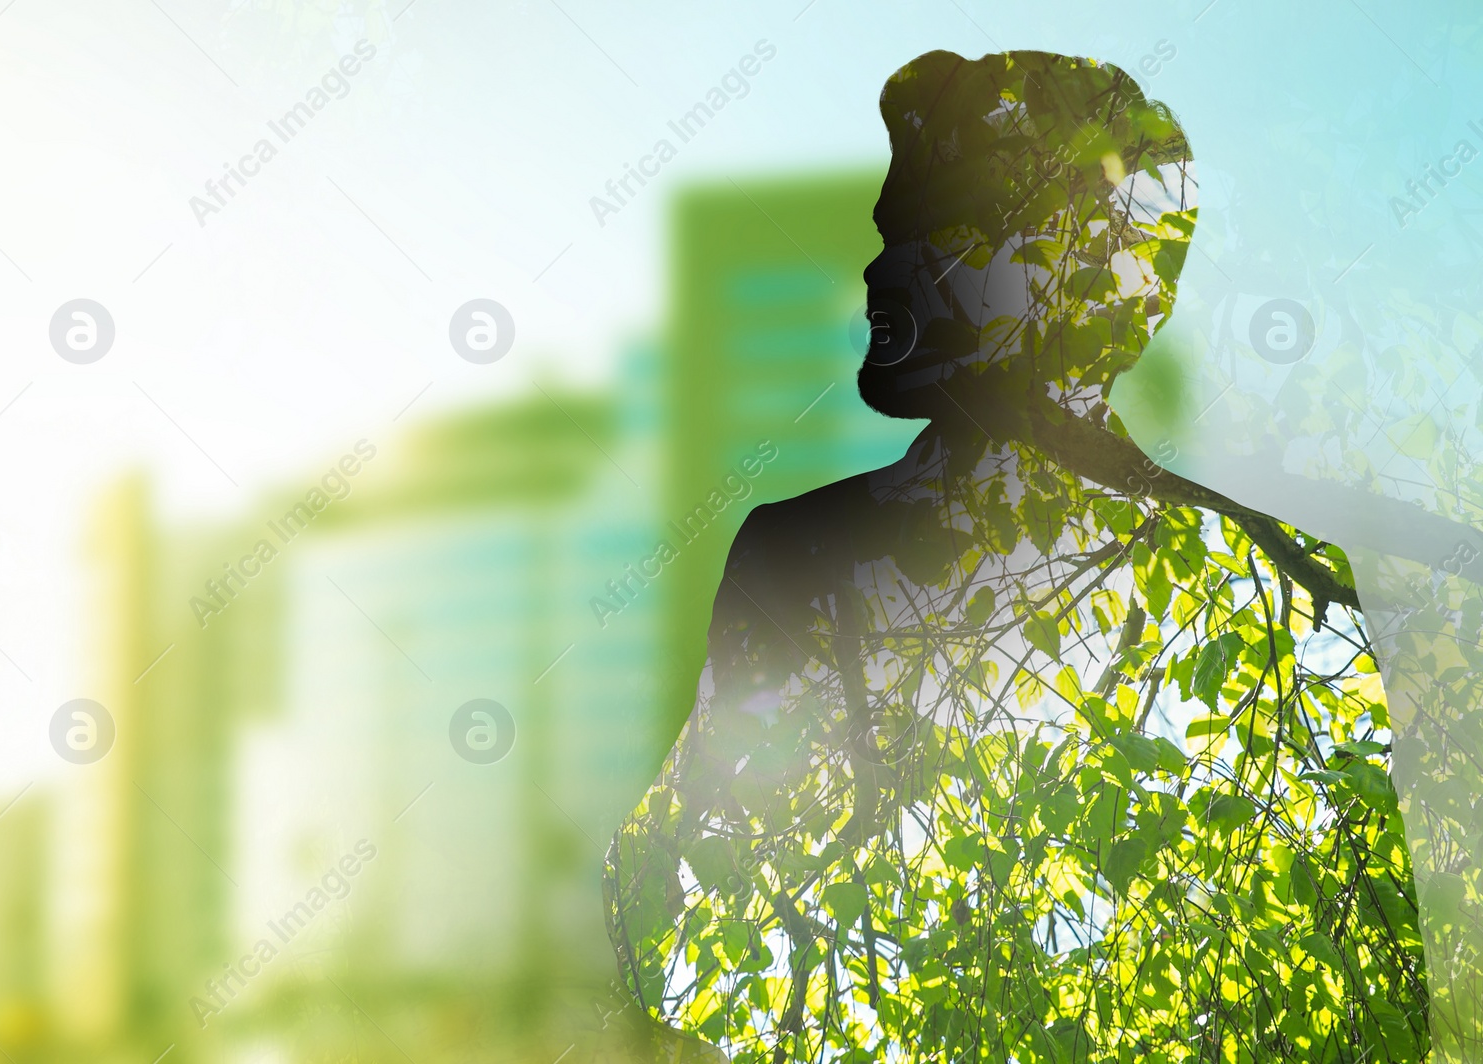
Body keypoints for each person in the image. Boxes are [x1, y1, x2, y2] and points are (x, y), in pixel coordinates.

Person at [604, 49, 1422, 1063]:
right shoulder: (793, 553)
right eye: (892, 234)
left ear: (1071, 268)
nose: (878, 270)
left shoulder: (1283, 580)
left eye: (936, 236)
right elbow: (673, 917)